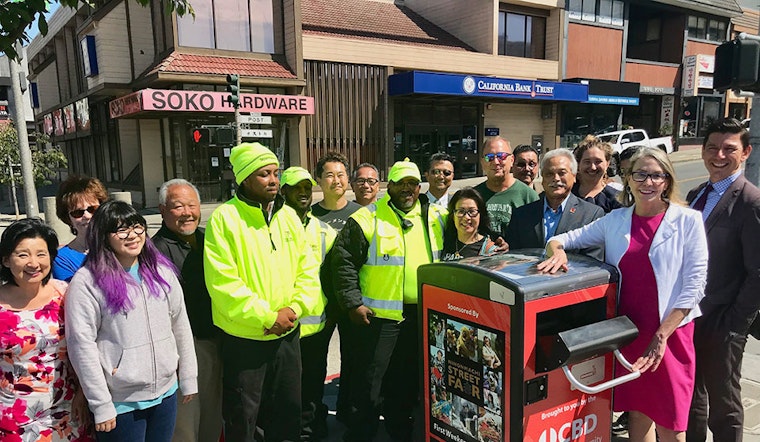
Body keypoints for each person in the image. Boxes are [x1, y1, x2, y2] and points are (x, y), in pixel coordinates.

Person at [538, 147, 708, 442]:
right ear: (628, 180)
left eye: (656, 175)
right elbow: (559, 239)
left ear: (667, 181)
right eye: (640, 174)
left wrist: (662, 335)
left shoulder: (687, 221)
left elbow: (695, 287)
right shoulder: (615, 220)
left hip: (670, 335)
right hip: (630, 332)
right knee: (638, 413)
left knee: (671, 422)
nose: (648, 182)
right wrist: (559, 254)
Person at [203, 142, 320, 441]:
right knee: (244, 418)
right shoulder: (224, 219)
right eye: (264, 174)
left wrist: (294, 310)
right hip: (246, 339)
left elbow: (308, 270)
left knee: (287, 412)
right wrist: (266, 317)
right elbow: (223, 283)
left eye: (275, 172)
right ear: (244, 178)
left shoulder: (289, 217)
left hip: (287, 334)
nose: (273, 180)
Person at [330, 158, 447, 441]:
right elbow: (342, 263)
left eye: (412, 184)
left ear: (419, 187)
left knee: (406, 379)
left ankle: (400, 429)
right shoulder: (367, 218)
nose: (407, 189)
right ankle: (361, 433)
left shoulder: (436, 218)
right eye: (401, 184)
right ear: (389, 186)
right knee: (370, 380)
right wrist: (352, 303)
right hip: (379, 318)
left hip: (421, 314)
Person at [66, 201, 198, 441]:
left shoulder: (161, 272)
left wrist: (188, 377)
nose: (133, 236)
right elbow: (81, 346)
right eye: (121, 230)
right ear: (104, 237)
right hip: (120, 403)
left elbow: (180, 325)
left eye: (138, 227)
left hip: (166, 393)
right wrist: (101, 404)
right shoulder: (87, 282)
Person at [686, 118, 760, 442]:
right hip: (689, 315)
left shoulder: (751, 202)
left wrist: (735, 324)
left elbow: (758, 272)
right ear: (703, 151)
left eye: (729, 149)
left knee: (725, 405)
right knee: (691, 395)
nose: (719, 155)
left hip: (723, 320)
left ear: (745, 152)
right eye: (713, 147)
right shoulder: (696, 194)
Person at [0, 218, 91, 441]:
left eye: (41, 254)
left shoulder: (66, 294)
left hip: (70, 409)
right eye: (22, 255)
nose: (34, 263)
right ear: (5, 260)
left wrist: (83, 392)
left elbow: (86, 346)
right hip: (14, 415)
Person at [152, 179, 223, 442]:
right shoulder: (155, 251)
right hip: (186, 344)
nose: (187, 213)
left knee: (213, 413)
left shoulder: (209, 238)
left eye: (192, 205)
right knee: (186, 420)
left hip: (217, 336)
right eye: (178, 206)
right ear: (162, 210)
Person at [280, 166, 337, 441]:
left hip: (317, 324)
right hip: (286, 322)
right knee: (286, 388)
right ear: (284, 192)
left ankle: (311, 428)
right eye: (295, 187)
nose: (303, 192)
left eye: (306, 187)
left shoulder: (323, 229)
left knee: (314, 382)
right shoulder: (274, 225)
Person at [505, 149, 604, 260]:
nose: (556, 179)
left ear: (574, 176)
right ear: (542, 179)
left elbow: (592, 263)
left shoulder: (591, 215)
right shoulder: (522, 215)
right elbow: (513, 257)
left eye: (562, 173)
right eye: (549, 174)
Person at [474, 137, 539, 237]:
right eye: (489, 157)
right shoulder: (474, 196)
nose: (496, 162)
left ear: (512, 160)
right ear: (482, 162)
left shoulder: (528, 196)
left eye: (501, 156)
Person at [53, 176, 109, 282]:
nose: (87, 216)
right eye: (77, 212)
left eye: (92, 209)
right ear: (68, 218)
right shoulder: (62, 259)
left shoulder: (119, 244)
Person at [441, 187, 500, 261]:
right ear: (453, 215)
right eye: (461, 211)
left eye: (472, 211)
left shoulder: (490, 251)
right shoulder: (444, 242)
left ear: (480, 215)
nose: (466, 217)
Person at [572, 136, 623, 213]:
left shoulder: (616, 199)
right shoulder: (566, 194)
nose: (593, 167)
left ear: (607, 164)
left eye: (598, 161)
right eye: (587, 162)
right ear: (578, 164)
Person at [312, 152, 362, 230]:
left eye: (340, 175)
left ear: (347, 178)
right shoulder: (310, 215)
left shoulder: (361, 213)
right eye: (330, 175)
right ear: (319, 181)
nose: (336, 181)